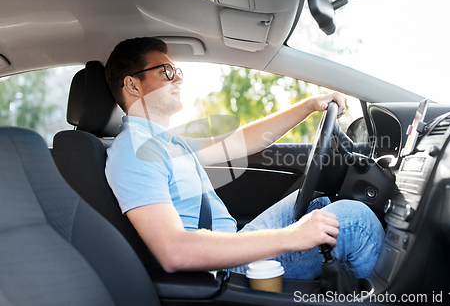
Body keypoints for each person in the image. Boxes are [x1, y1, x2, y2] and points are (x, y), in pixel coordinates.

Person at [104, 37, 384, 280]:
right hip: (220, 270)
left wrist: (310, 105)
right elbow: (174, 251)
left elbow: (243, 141)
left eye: (176, 70)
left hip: (228, 245)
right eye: (166, 71)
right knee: (353, 221)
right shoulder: (133, 152)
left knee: (319, 205)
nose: (178, 77)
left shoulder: (167, 142)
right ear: (133, 85)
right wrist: (291, 237)